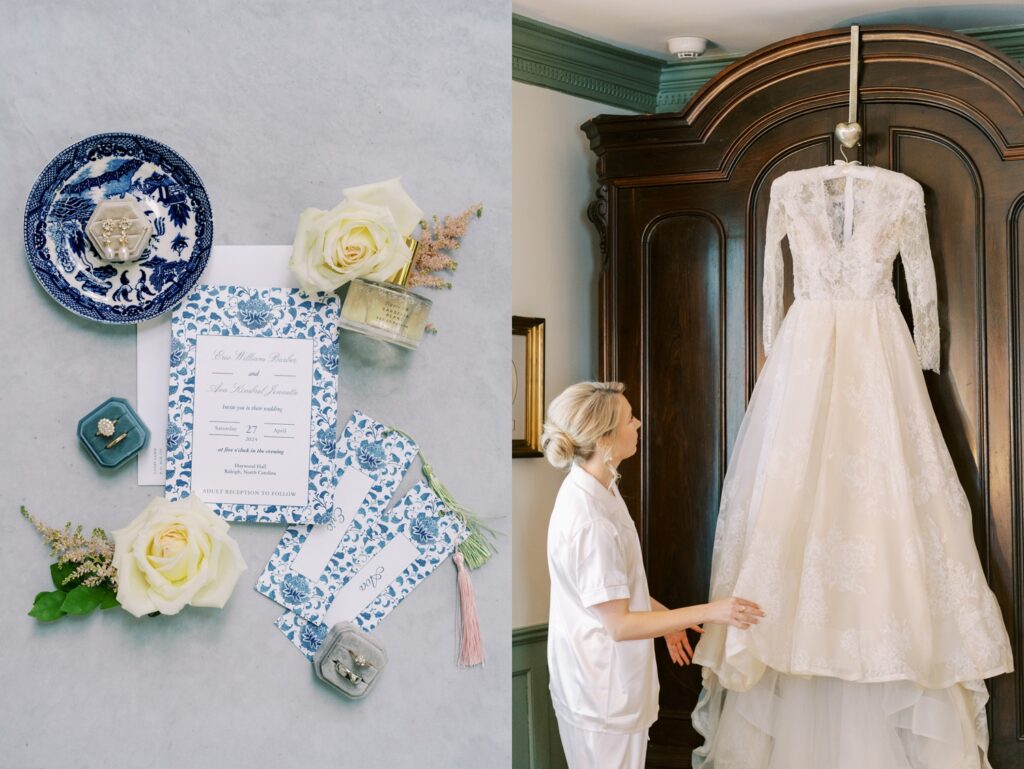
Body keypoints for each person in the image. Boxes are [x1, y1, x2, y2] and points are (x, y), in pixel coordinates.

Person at [541, 381, 764, 769]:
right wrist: (711, 611)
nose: (639, 424)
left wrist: (664, 623)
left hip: (603, 684)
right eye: (630, 419)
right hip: (601, 694)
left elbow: (617, 592)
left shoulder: (599, 488)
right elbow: (620, 624)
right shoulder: (590, 521)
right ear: (605, 438)